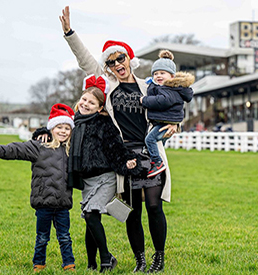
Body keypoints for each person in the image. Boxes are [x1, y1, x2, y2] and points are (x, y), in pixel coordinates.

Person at [59, 6, 178, 273]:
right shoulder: (108, 85)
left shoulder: (149, 86)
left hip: (152, 154)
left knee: (154, 206)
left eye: (119, 59)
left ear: (129, 58)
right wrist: (70, 34)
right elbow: (85, 60)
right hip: (126, 157)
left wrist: (174, 124)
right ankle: (140, 260)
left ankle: (158, 258)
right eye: (111, 62)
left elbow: (174, 103)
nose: (116, 65)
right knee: (133, 212)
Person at [0, 103, 76, 272]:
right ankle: (38, 264)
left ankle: (69, 264)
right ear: (51, 129)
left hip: (63, 203)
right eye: (59, 127)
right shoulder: (38, 146)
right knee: (42, 237)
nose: (63, 131)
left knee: (65, 237)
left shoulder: (70, 149)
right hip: (43, 202)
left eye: (67, 128)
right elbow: (18, 149)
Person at [68, 74, 142, 273]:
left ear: (100, 107)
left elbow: (115, 148)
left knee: (91, 214)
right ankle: (92, 264)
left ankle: (106, 259)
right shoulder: (75, 123)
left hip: (105, 178)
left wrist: (128, 162)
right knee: (90, 220)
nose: (86, 104)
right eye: (84, 99)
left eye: (92, 103)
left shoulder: (104, 124)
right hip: (87, 180)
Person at [140, 50, 194, 177]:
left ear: (172, 76)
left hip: (166, 122)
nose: (158, 76)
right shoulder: (163, 87)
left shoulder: (168, 89)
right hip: (166, 121)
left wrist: (144, 100)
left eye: (162, 73)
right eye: (156, 73)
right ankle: (155, 158)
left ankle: (157, 163)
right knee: (158, 145)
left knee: (150, 139)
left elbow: (163, 101)